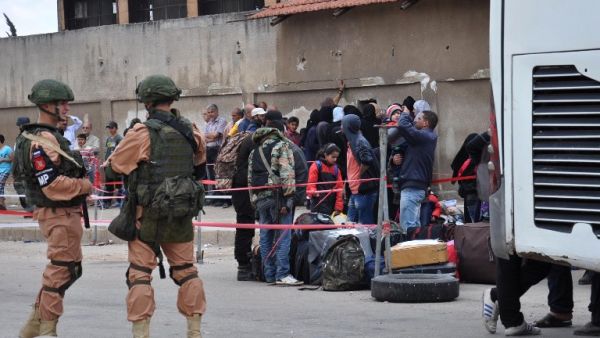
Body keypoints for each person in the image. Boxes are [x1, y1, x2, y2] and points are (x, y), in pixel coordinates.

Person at [106, 75, 206, 337]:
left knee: (140, 274)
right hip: (181, 214)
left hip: (146, 215)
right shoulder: (191, 131)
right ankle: (194, 331)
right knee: (187, 271)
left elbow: (115, 167)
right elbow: (198, 165)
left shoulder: (142, 132)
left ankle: (141, 333)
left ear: (148, 101)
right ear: (172, 98)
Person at [15, 79, 92, 337]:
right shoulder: (43, 139)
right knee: (61, 270)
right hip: (58, 214)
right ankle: (47, 329)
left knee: (67, 269)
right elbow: (52, 185)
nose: (67, 108)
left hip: (62, 214)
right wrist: (84, 186)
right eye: (62, 104)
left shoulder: (44, 136)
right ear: (47, 106)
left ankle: (36, 323)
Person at [248, 127, 302, 286]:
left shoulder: (254, 151)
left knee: (265, 236)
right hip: (278, 198)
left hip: (261, 199)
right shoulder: (282, 146)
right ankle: (282, 274)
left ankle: (269, 274)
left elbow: (250, 179)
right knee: (283, 235)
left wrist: (254, 201)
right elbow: (287, 174)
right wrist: (288, 199)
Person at [396, 106, 438, 231]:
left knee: (408, 227)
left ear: (425, 123)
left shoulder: (425, 136)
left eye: (418, 118)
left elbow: (403, 125)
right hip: (415, 186)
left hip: (413, 187)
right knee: (413, 225)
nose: (414, 120)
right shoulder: (425, 138)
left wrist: (405, 114)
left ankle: (410, 249)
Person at [342, 114, 379, 225]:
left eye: (342, 125)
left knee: (364, 225)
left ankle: (366, 243)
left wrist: (358, 176)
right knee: (350, 224)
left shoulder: (359, 141)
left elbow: (367, 161)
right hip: (355, 190)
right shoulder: (352, 142)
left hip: (363, 190)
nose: (340, 127)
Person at [307, 143, 343, 216]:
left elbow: (340, 188)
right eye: (333, 157)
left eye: (336, 157)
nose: (335, 159)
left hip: (331, 205)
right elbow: (311, 183)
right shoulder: (316, 166)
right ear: (326, 155)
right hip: (318, 203)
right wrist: (314, 192)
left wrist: (338, 207)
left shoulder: (336, 169)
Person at [203, 104, 228, 207]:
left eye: (212, 112)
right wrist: (212, 137)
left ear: (217, 112)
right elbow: (205, 137)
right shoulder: (209, 123)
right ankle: (214, 198)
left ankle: (222, 199)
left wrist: (212, 137)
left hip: (217, 150)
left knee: (219, 174)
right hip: (209, 150)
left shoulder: (222, 121)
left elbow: (216, 135)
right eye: (208, 112)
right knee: (211, 175)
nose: (210, 114)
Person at [14, 117, 34, 214]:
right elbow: (17, 155)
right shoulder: (20, 137)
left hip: (26, 169)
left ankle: (31, 209)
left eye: (20, 125)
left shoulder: (30, 136)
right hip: (19, 169)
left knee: (27, 188)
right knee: (19, 187)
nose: (19, 127)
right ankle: (29, 209)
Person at [103, 121, 123, 208]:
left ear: (116, 128)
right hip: (107, 165)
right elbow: (108, 150)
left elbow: (118, 152)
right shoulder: (108, 139)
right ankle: (107, 202)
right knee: (109, 184)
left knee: (119, 183)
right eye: (109, 128)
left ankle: (119, 201)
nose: (110, 130)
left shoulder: (119, 138)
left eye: (111, 128)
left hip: (115, 164)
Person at [0, 134, 13, 210]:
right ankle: (2, 204)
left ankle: (1, 202)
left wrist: (4, 160)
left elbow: (12, 159)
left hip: (6, 170)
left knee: (0, 184)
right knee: (0, 186)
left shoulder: (7, 148)